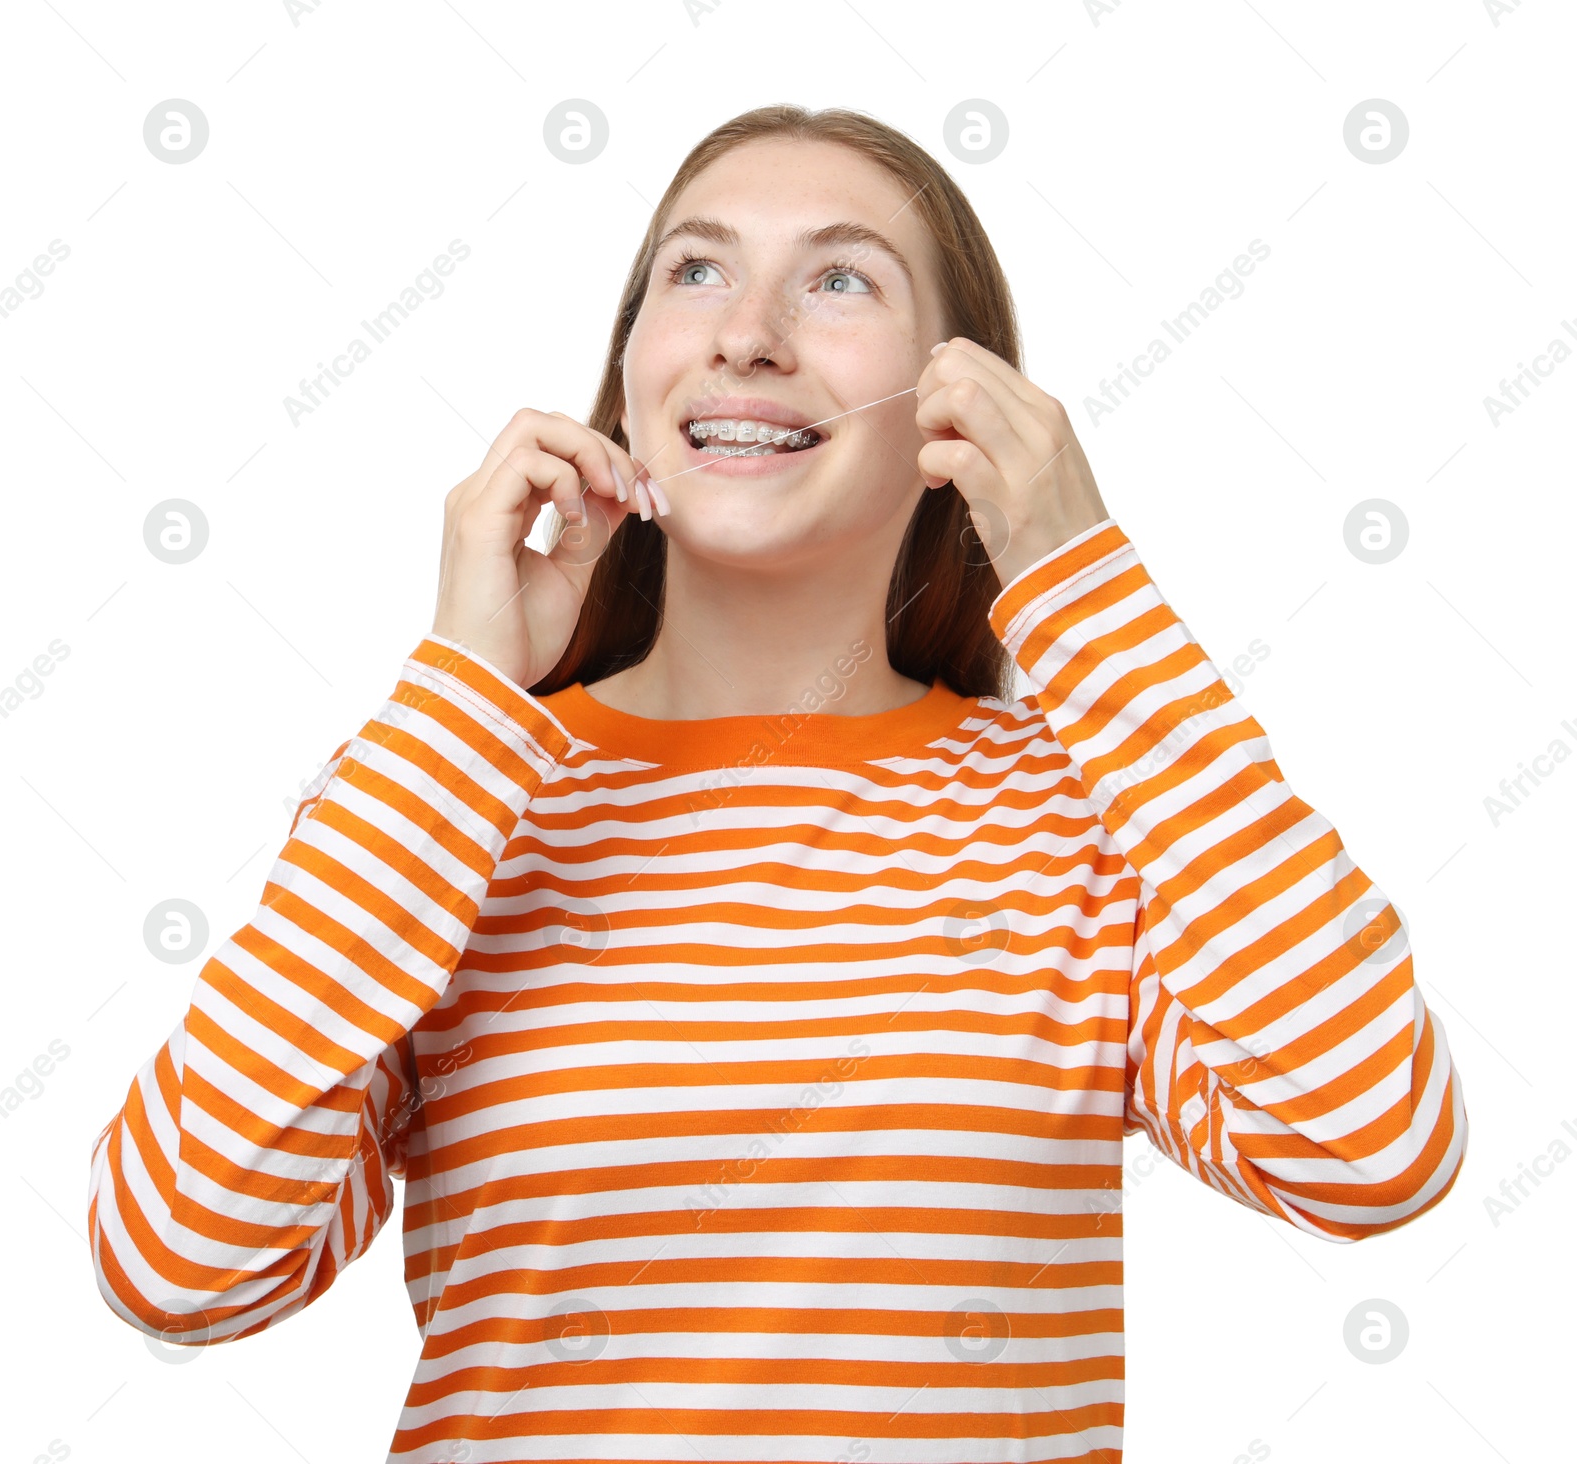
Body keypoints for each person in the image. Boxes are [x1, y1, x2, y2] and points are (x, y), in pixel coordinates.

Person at [87, 104, 1468, 1464]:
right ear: (630, 377)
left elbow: (1374, 1147)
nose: (746, 332)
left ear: (960, 407)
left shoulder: (1089, 818)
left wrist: (1083, 586)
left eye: (838, 278)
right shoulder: (444, 795)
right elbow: (177, 1263)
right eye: (694, 271)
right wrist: (460, 692)